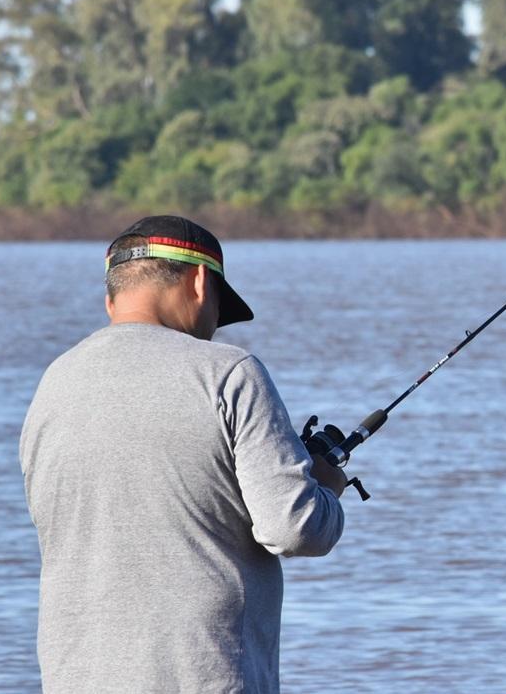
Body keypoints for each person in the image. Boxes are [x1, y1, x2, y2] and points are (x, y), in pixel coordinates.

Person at [20, 215, 348, 693]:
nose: (213, 327)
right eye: (219, 308)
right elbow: (295, 530)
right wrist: (327, 491)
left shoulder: (53, 383)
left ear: (113, 295)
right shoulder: (230, 372)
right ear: (199, 282)